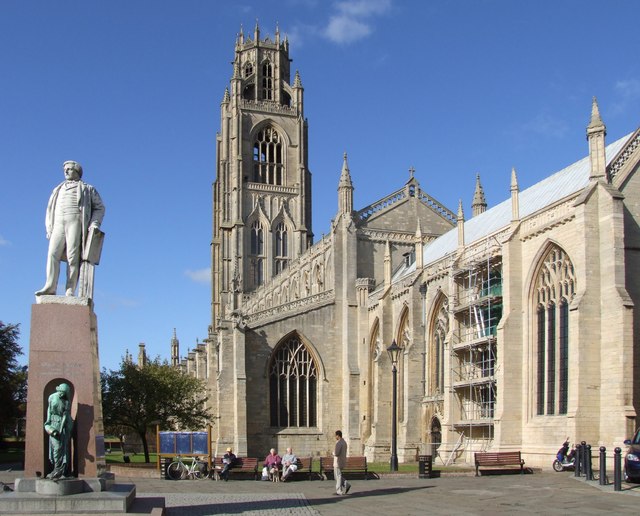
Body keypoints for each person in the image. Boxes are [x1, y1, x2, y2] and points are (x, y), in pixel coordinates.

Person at [36, 160, 105, 297]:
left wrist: (94, 223)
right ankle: (50, 286)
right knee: (52, 254)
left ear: (77, 171)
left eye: (69, 169)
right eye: (65, 169)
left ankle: (70, 289)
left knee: (73, 256)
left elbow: (100, 207)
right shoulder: (57, 189)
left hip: (76, 221)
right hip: (58, 222)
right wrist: (49, 226)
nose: (66, 171)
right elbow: (50, 209)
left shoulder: (87, 188)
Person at [44, 383, 74, 479]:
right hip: (53, 424)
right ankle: (56, 469)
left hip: (63, 426)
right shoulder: (52, 397)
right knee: (56, 449)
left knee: (63, 448)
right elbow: (49, 410)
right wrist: (49, 425)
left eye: (64, 393)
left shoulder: (67, 401)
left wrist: (64, 427)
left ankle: (61, 471)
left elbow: (66, 415)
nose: (62, 394)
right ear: (58, 390)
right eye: (61, 392)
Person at [333, 430, 351, 495]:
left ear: (338, 435)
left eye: (335, 435)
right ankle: (346, 484)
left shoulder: (339, 443)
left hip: (338, 462)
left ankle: (339, 491)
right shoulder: (344, 442)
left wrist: (333, 453)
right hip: (342, 461)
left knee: (338, 476)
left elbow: (336, 453)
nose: (335, 437)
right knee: (337, 476)